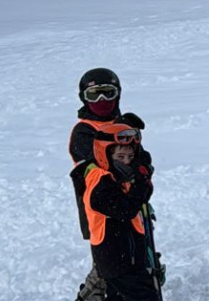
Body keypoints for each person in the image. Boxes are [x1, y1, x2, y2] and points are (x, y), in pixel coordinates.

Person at [70, 68, 146, 301]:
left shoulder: (123, 124)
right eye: (95, 95)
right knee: (108, 265)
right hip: (102, 210)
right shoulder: (83, 132)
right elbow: (103, 166)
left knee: (132, 256)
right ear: (84, 97)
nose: (102, 101)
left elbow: (139, 158)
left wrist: (142, 171)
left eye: (107, 94)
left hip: (132, 202)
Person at [82, 123, 159, 301]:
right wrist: (140, 183)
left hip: (130, 257)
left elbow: (142, 197)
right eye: (120, 156)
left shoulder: (119, 176)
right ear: (106, 155)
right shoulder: (100, 183)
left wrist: (144, 177)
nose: (127, 161)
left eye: (131, 156)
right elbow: (126, 209)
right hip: (116, 260)